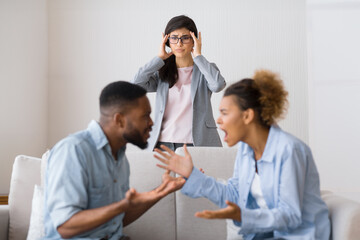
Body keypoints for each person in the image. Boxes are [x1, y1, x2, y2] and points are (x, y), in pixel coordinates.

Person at [154, 70, 331, 239]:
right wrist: (193, 176)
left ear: (247, 116)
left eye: (224, 112)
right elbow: (234, 194)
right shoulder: (246, 152)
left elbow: (291, 216)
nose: (218, 120)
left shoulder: (289, 150)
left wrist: (243, 216)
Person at [43, 81, 185, 239]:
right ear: (119, 120)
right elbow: (65, 226)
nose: (152, 123)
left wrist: (159, 192)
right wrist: (121, 206)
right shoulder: (74, 150)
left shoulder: (120, 158)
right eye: (145, 115)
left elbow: (117, 219)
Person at [132, 15, 226, 151]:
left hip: (198, 143)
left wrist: (198, 56)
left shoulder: (205, 70)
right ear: (167, 41)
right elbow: (135, 85)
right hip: (163, 143)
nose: (179, 43)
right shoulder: (161, 72)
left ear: (194, 40)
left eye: (185, 38)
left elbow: (218, 85)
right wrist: (159, 59)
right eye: (174, 38)